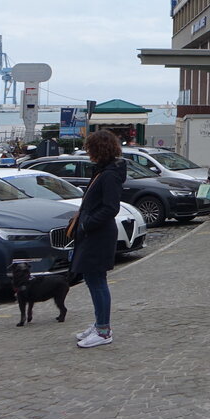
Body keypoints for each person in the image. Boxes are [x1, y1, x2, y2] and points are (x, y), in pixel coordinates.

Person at [70, 129, 126, 348]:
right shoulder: (104, 171)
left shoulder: (109, 174)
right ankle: (99, 324)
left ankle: (103, 330)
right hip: (95, 232)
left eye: (90, 148)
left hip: (98, 233)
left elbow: (111, 207)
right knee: (94, 280)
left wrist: (87, 223)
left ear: (98, 149)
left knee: (97, 281)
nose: (88, 152)